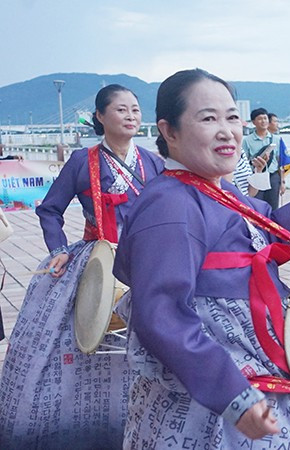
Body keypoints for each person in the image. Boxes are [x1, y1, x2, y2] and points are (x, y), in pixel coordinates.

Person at [113, 68, 290, 448]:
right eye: (208, 118)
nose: (226, 130)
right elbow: (161, 312)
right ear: (169, 132)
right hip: (215, 393)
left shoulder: (218, 191)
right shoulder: (170, 203)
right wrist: (231, 394)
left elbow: (270, 231)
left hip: (250, 367)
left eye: (232, 117)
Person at [0, 84, 164, 448]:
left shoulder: (153, 162)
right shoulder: (81, 161)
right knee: (88, 337)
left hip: (146, 262)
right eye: (121, 110)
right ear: (100, 117)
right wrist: (58, 249)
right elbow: (50, 210)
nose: (131, 116)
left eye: (135, 110)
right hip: (98, 260)